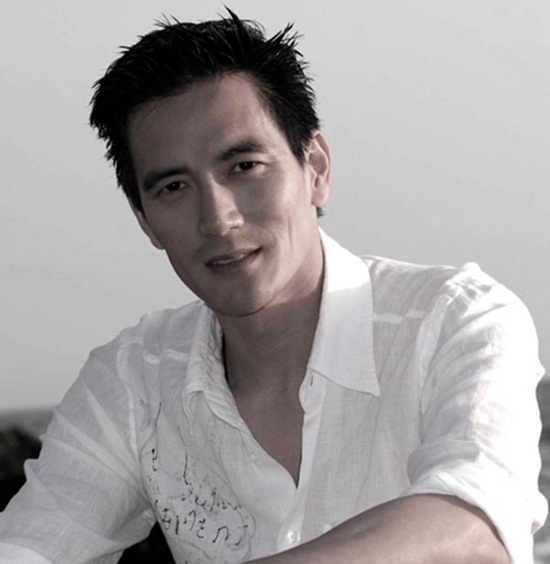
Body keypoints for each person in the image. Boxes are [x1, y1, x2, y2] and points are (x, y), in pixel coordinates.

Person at [0, 10, 546, 564]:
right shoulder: (134, 381)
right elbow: (30, 547)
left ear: (315, 167)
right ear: (145, 221)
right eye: (174, 186)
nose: (218, 220)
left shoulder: (454, 319)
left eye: (244, 166)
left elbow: (473, 525)